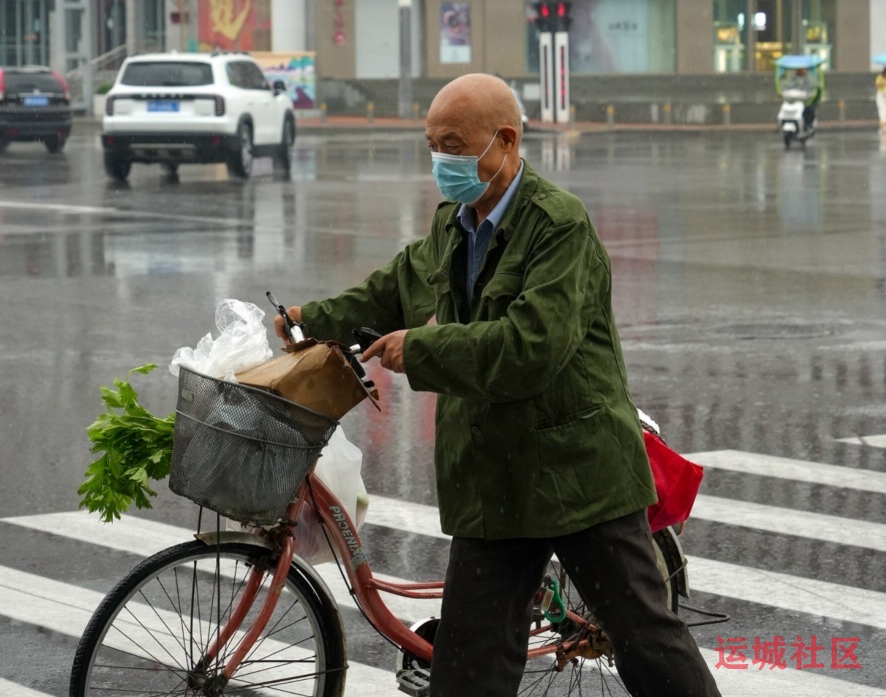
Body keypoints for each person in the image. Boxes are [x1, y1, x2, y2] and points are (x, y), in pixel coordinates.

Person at [277, 74, 722, 697]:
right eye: (432, 144)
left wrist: (421, 348)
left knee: (646, 641)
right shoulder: (454, 225)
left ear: (505, 142)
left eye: (454, 144)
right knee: (469, 670)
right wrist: (306, 322)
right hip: (497, 483)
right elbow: (392, 290)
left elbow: (530, 347)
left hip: (577, 477)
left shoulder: (557, 226)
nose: (441, 160)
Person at [876, 67, 886, 131]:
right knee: (882, 110)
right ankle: (883, 126)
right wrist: (883, 83)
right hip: (881, 95)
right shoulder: (880, 77)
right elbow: (877, 84)